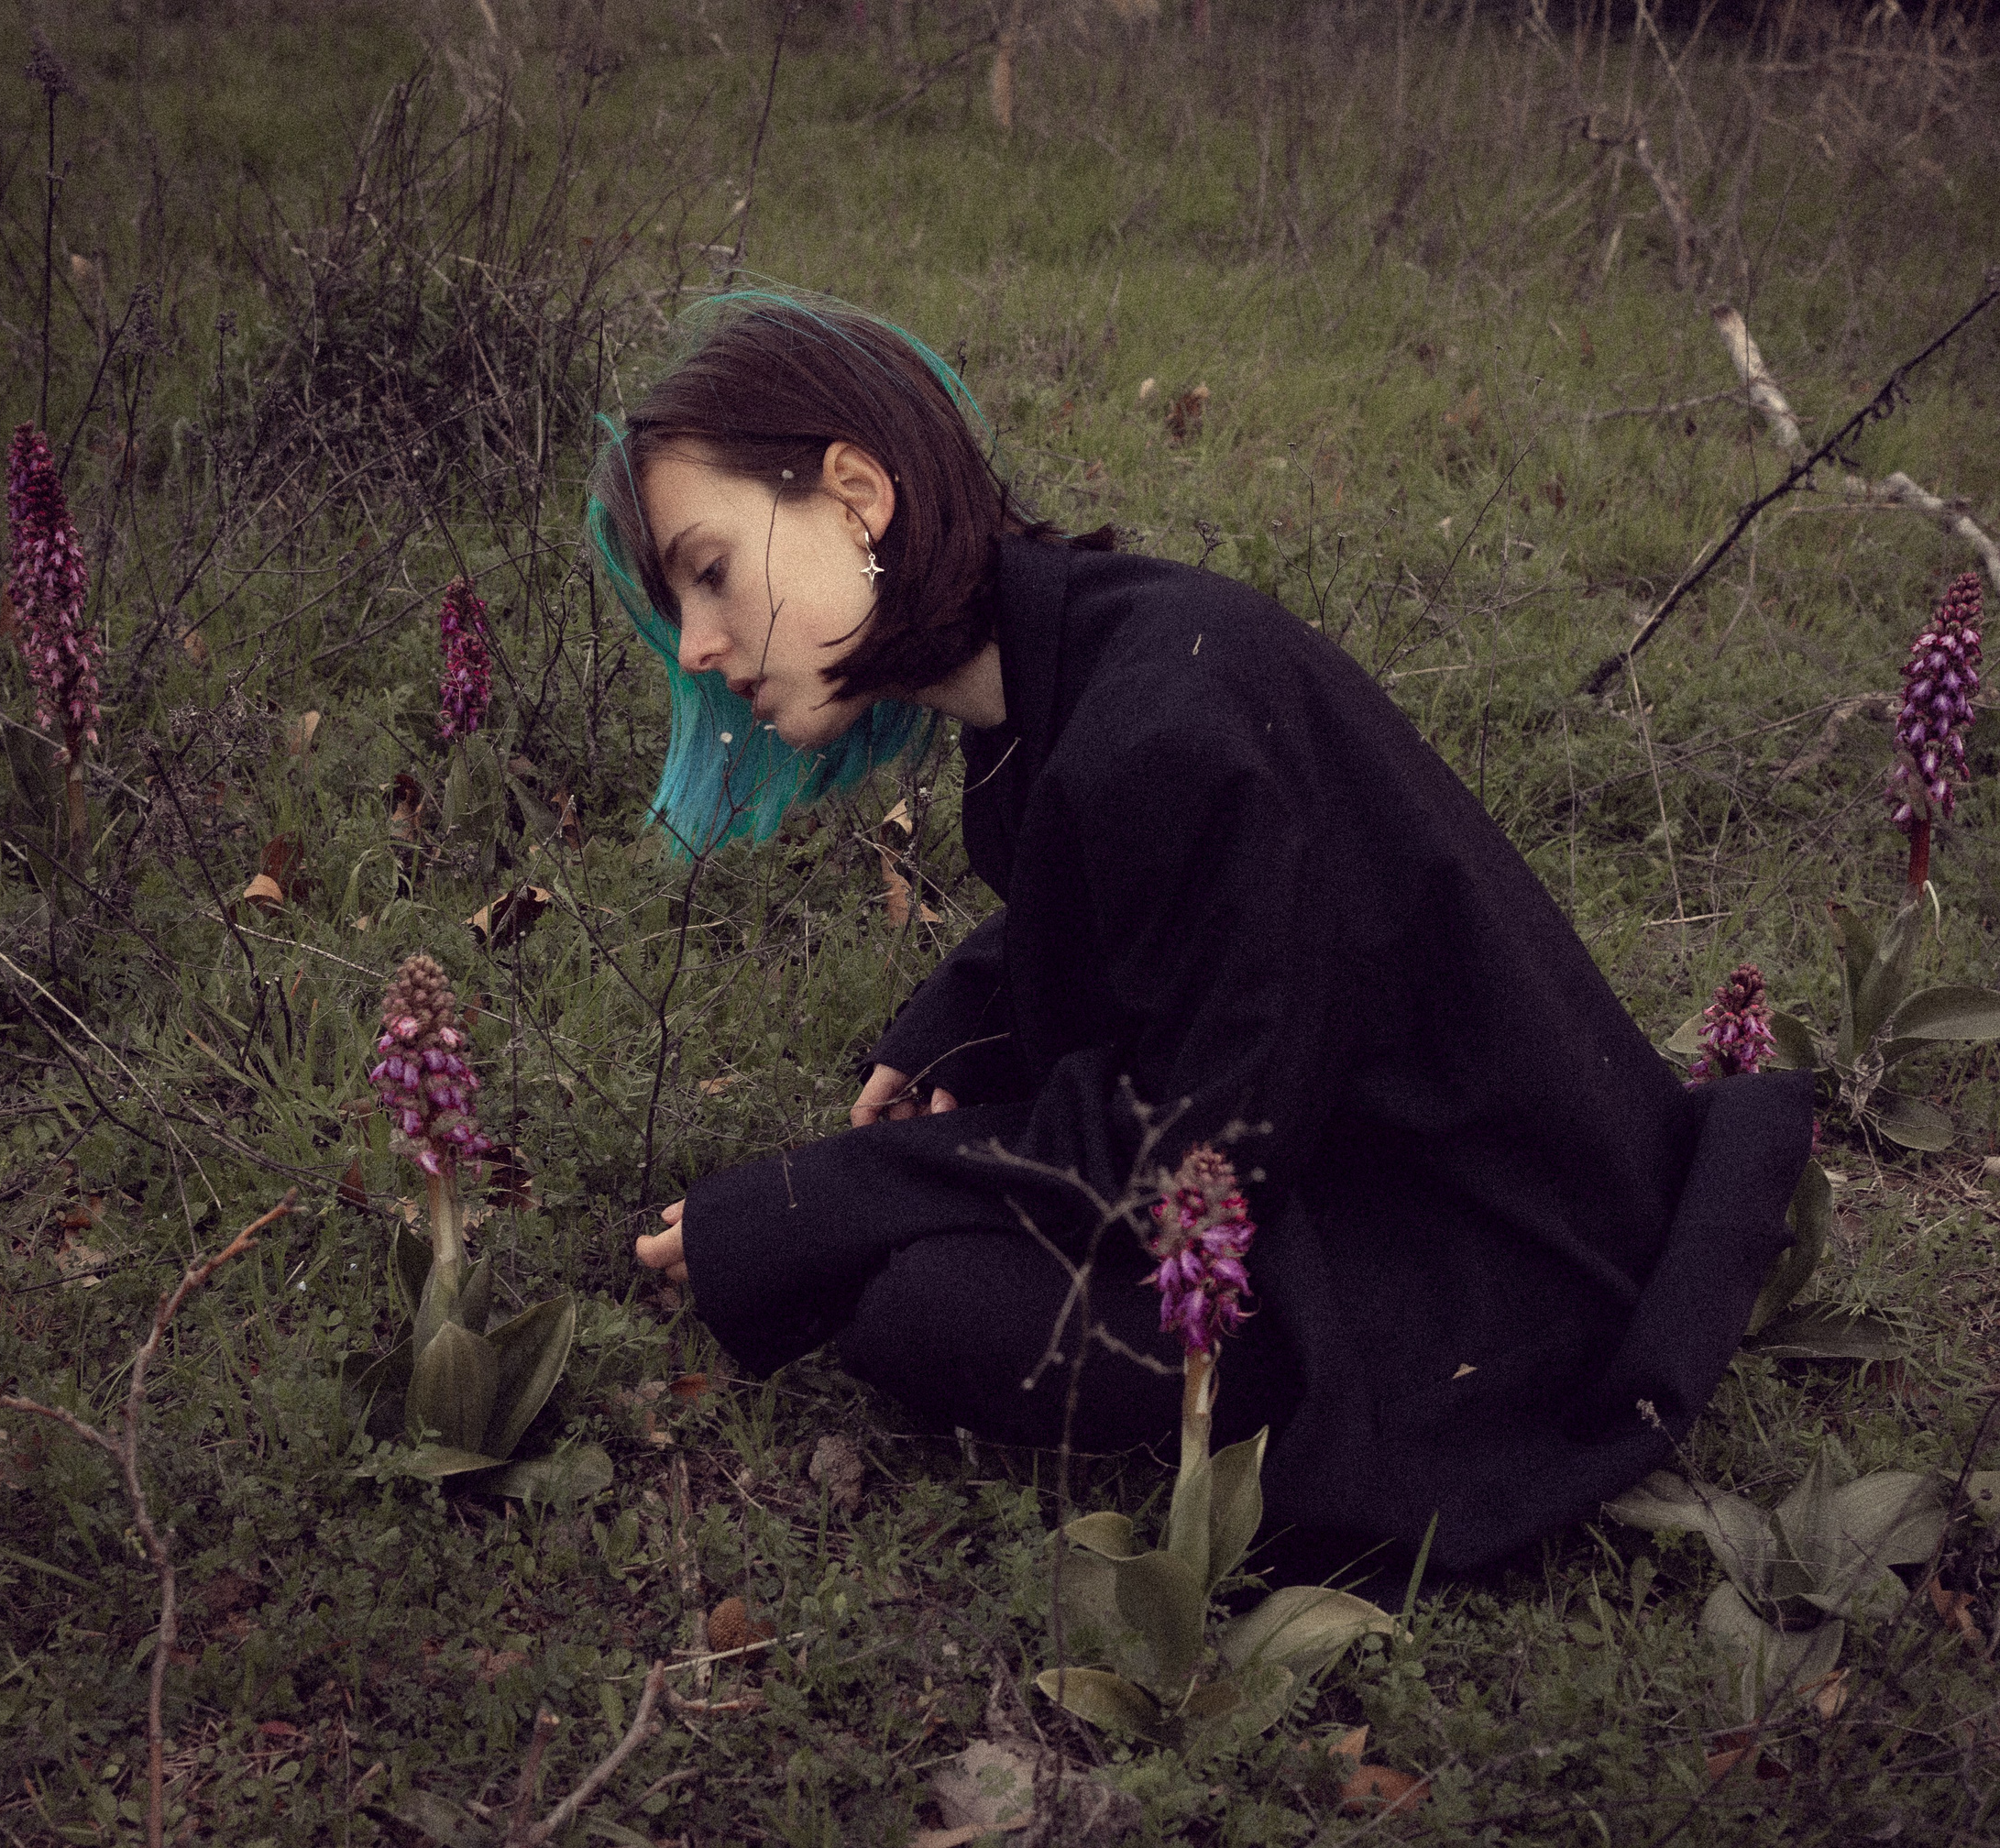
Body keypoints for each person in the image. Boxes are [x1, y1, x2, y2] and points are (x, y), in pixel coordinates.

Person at [590, 291, 1815, 1578]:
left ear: (856, 494)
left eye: (711, 572)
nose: (700, 648)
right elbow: (1146, 914)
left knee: (927, 1312)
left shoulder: (1164, 725)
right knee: (933, 1281)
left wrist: (808, 1203)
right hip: (1370, 1143)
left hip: (1483, 1255)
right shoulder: (1083, 651)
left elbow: (1182, 1152)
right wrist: (963, 1017)